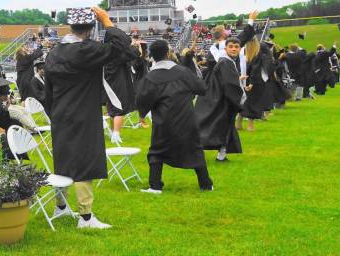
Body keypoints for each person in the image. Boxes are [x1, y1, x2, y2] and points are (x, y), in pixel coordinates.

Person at [45, 6, 130, 230]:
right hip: (83, 112)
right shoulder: (87, 50)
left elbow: (48, 90)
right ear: (91, 28)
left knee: (62, 161)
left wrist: (53, 112)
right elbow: (122, 47)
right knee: (84, 161)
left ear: (71, 26)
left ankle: (60, 207)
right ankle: (85, 217)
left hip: (60, 113)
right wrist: (107, 20)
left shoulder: (54, 53)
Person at [136, 40, 213, 194]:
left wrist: (142, 115)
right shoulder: (183, 72)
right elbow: (202, 88)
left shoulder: (150, 77)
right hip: (187, 118)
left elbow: (143, 100)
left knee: (157, 151)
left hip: (164, 120)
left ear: (151, 56)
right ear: (167, 53)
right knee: (194, 148)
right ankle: (206, 184)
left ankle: (155, 186)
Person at [194, 11, 258, 161]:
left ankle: (221, 155)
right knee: (212, 124)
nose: (235, 48)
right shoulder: (223, 58)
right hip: (218, 98)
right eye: (232, 47)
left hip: (217, 96)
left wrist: (240, 80)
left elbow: (228, 78)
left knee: (224, 125)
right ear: (226, 47)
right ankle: (196, 149)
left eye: (237, 47)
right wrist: (239, 98)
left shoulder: (225, 58)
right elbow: (228, 83)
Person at [103, 30, 139, 143]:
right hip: (117, 82)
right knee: (119, 108)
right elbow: (134, 53)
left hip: (108, 82)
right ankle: (116, 135)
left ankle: (113, 132)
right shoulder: (115, 53)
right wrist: (133, 45)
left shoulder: (104, 51)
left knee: (112, 109)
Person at [241, 39, 276, 131]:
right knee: (252, 103)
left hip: (242, 80)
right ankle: (250, 125)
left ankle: (238, 123)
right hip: (253, 82)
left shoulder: (242, 54)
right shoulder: (257, 55)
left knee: (243, 102)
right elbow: (255, 70)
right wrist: (252, 83)